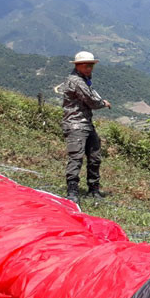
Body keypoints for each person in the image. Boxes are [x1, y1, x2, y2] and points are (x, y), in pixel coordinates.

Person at [62, 51, 111, 203]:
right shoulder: (77, 82)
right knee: (76, 157)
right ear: (78, 66)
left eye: (92, 66)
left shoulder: (84, 79)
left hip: (86, 123)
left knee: (95, 157)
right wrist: (103, 103)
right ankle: (72, 192)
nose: (90, 68)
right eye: (87, 65)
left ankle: (94, 189)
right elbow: (91, 101)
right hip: (76, 124)